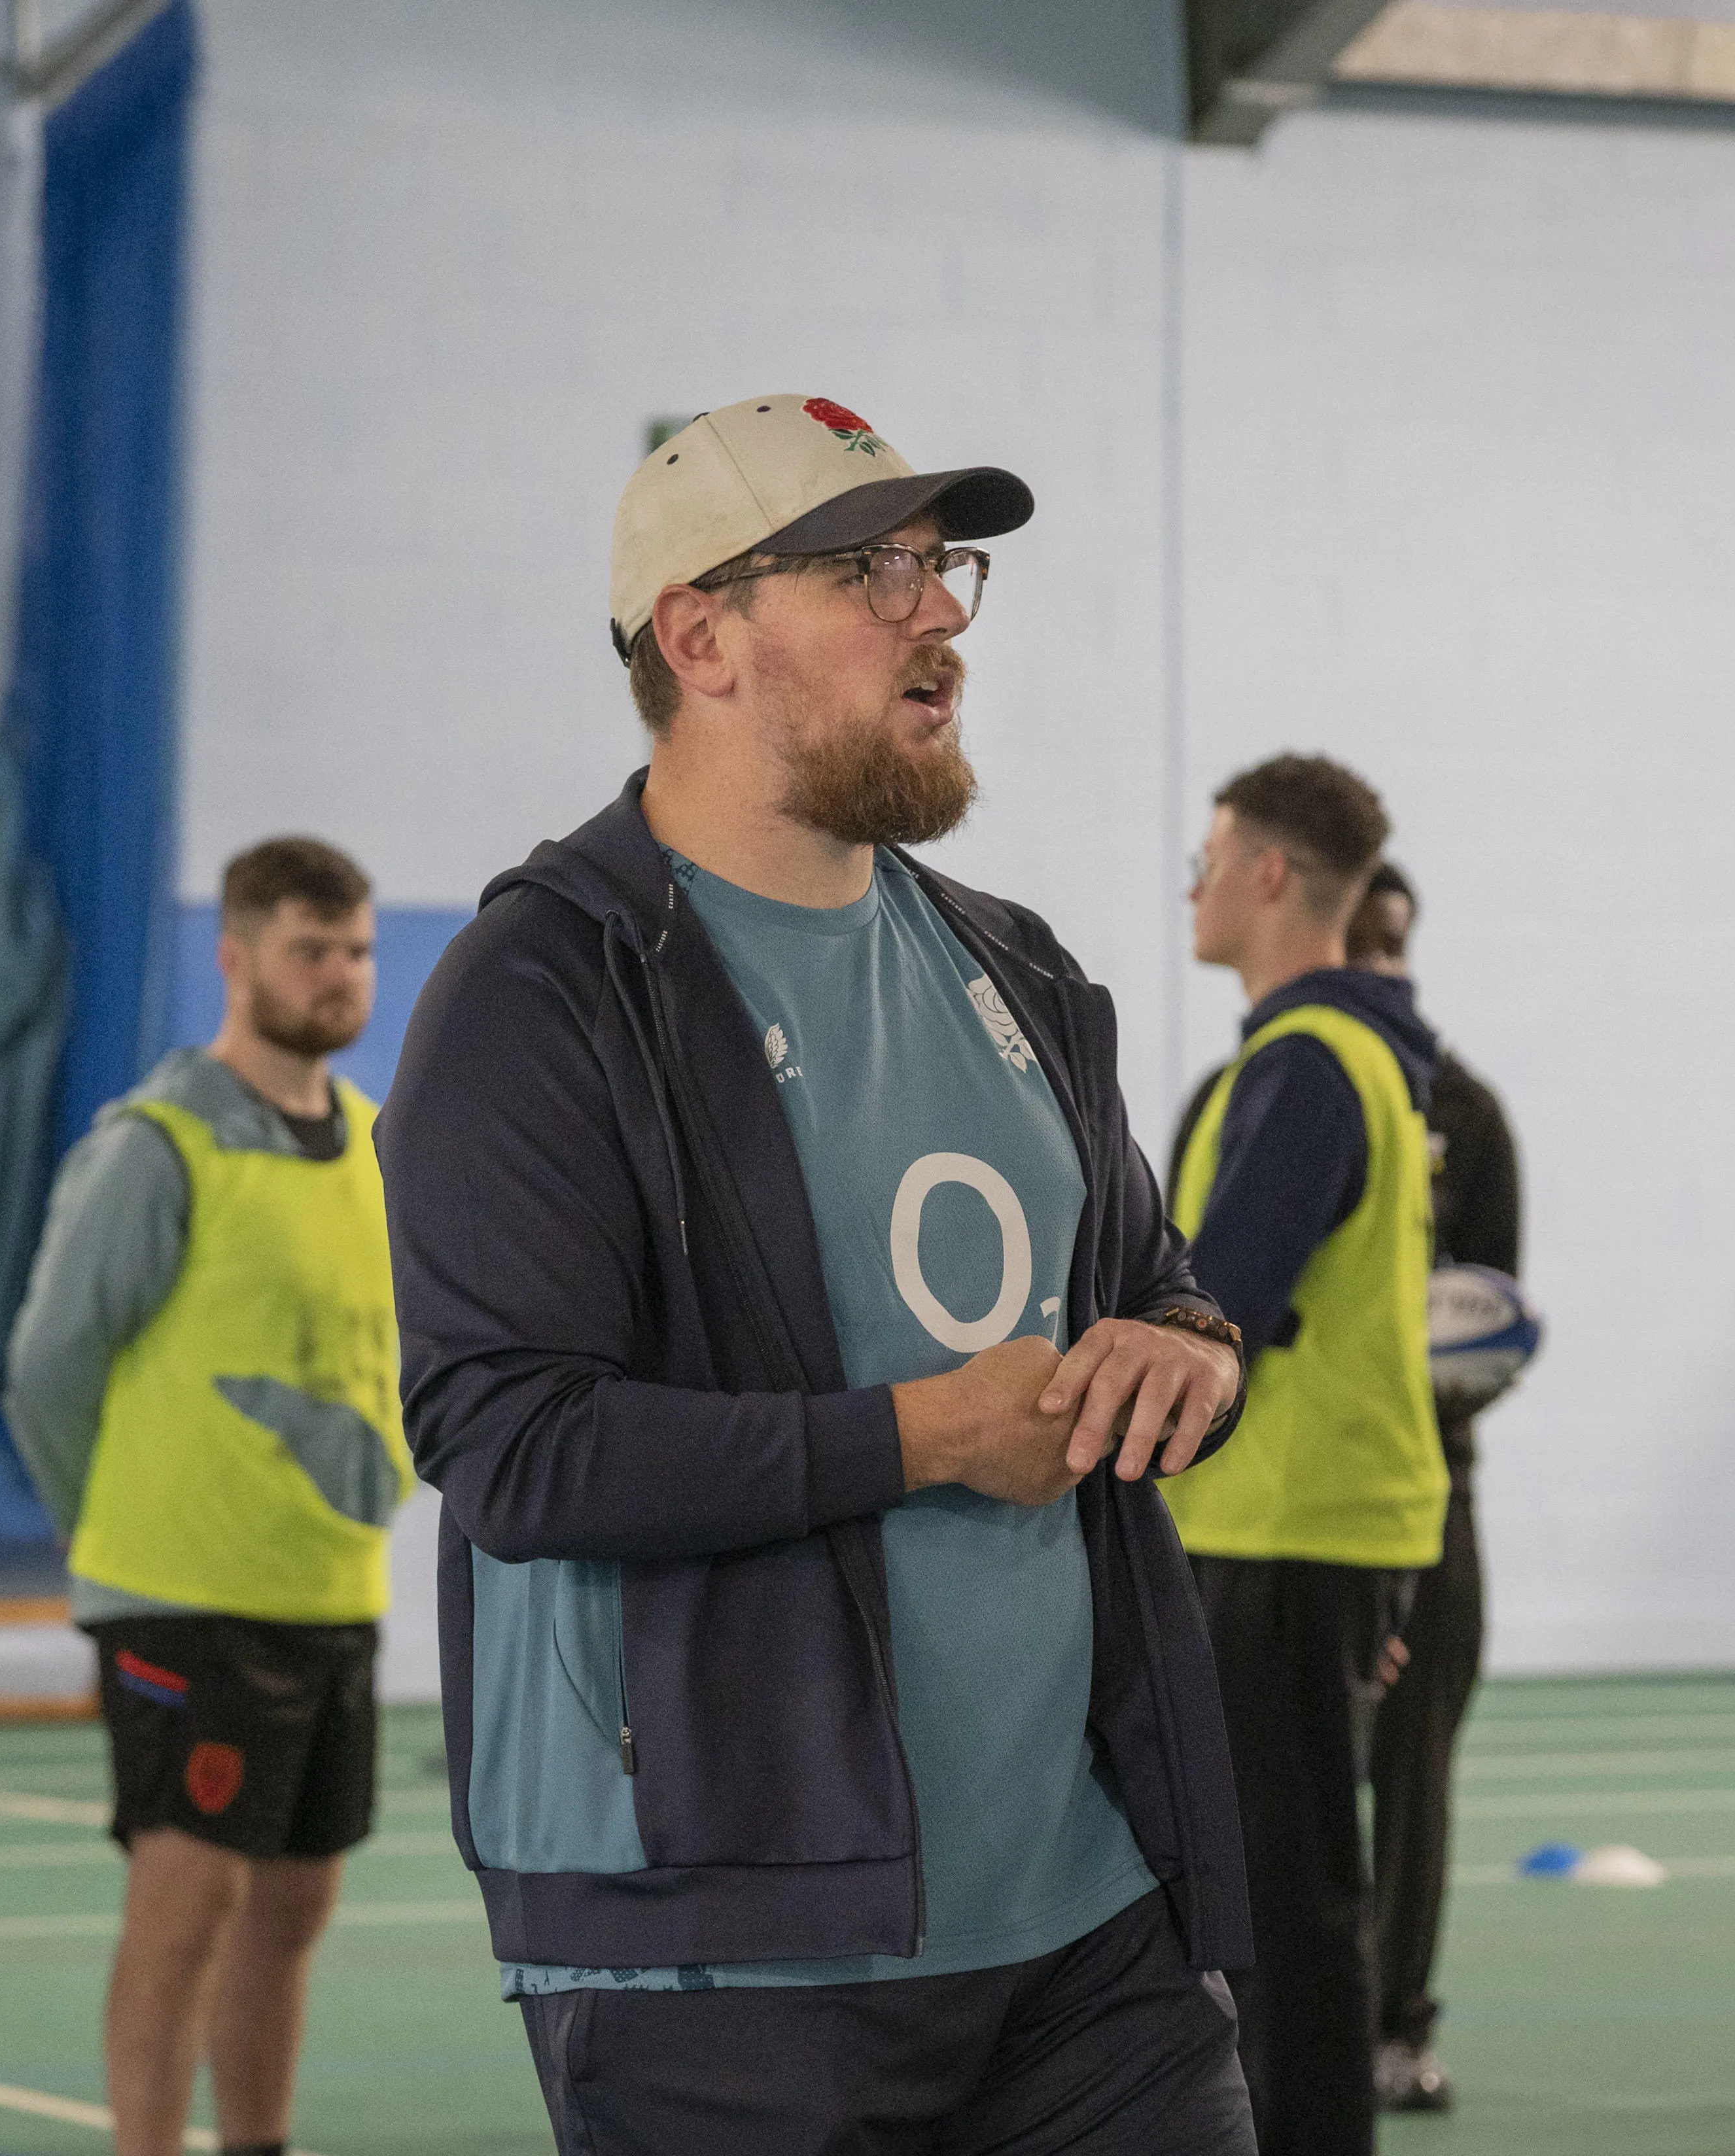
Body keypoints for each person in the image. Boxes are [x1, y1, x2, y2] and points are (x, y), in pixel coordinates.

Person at [381, 392, 1255, 2155]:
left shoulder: (1014, 973)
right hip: (728, 1951)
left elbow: (1159, 1290)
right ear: (700, 636)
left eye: (942, 569)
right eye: (869, 572)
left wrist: (1186, 1355)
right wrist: (922, 1436)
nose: (936, 614)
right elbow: (515, 1448)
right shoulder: (545, 994)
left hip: (1087, 1922)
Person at [5, 836, 406, 2156]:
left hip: (329, 1588)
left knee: (292, 1914)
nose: (337, 974)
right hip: (182, 1599)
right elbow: (48, 1369)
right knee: (184, 1912)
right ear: (232, 958)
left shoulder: (373, 1142)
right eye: (308, 947)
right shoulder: (156, 1147)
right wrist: (106, 1531)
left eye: (352, 948)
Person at [1163, 756, 1446, 2156]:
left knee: (1285, 1912)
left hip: (1279, 1538)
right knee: (1288, 1901)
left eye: (1209, 855)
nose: (1191, 881)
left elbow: (1217, 1314)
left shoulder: (1305, 1068)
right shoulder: (1353, 1059)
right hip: (1322, 1538)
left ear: (1270, 873)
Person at [1351, 864, 1520, 2115]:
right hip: (1289, 1520)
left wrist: (1447, 1369)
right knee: (1279, 1779)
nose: (1378, 962)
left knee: (1415, 1773)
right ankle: (1268, 2020)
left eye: (1394, 940)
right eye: (1360, 939)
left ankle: (1397, 2026)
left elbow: (1494, 1324)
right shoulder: (1262, 1096)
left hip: (1428, 1503)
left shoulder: (1465, 1115)